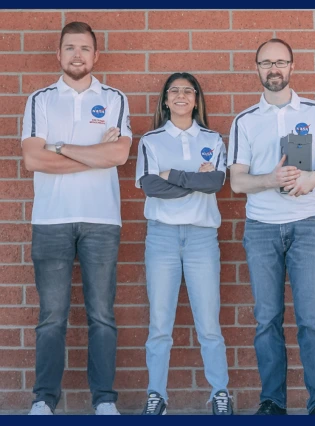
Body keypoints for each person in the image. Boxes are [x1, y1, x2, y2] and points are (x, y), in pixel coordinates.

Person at [227, 38, 315, 415]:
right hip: (261, 227)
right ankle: (273, 402)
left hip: (307, 225)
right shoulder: (244, 121)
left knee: (312, 319)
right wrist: (271, 179)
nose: (274, 69)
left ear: (292, 67)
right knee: (267, 320)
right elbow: (237, 182)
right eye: (266, 63)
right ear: (256, 68)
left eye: (280, 62)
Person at [21, 22, 132, 415]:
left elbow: (117, 157)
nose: (77, 55)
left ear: (96, 55)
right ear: (59, 54)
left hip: (102, 220)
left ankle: (104, 400)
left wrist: (61, 148)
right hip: (51, 219)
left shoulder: (116, 98)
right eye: (70, 48)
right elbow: (33, 159)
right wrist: (90, 155)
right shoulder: (40, 100)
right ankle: (43, 400)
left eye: (85, 48)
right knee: (52, 316)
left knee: (102, 314)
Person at [134, 72, 232, 415]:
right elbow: (150, 186)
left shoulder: (212, 138)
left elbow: (216, 181)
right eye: (173, 91)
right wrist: (195, 180)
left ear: (196, 99)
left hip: (202, 238)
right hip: (162, 237)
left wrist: (172, 175)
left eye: (187, 91)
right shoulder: (151, 140)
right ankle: (156, 396)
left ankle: (220, 393)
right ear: (165, 99)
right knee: (160, 324)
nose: (180, 96)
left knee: (209, 324)